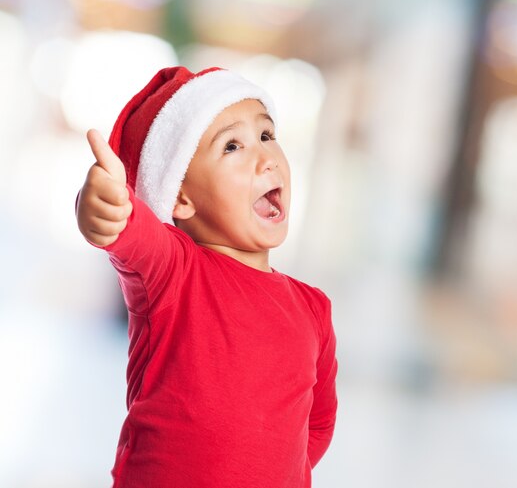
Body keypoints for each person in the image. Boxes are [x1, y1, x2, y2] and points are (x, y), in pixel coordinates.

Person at [75, 66, 338, 488]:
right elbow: (129, 231)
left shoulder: (313, 308)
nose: (266, 157)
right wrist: (105, 206)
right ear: (180, 196)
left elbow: (318, 421)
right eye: (233, 146)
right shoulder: (173, 271)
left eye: (267, 135)